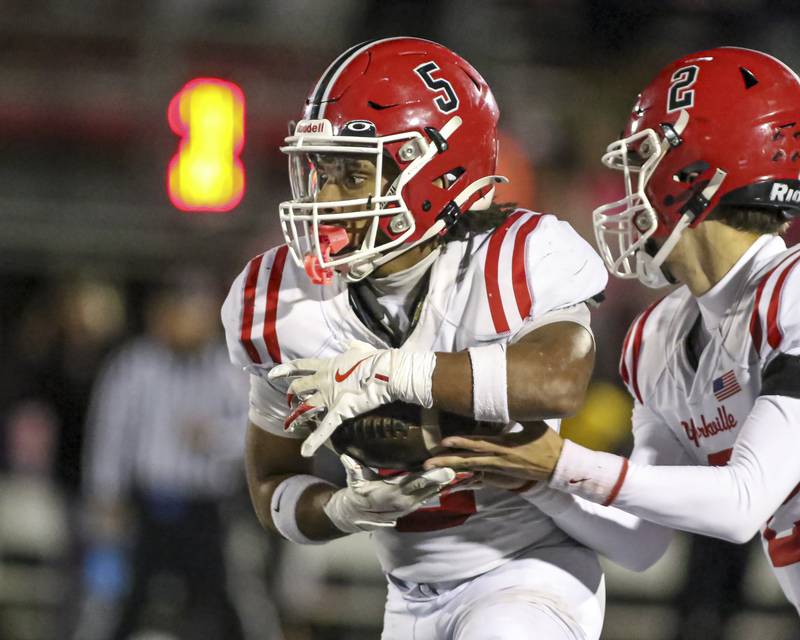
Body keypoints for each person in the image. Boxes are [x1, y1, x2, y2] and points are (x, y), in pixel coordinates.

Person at [222, 37, 679, 640]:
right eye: (322, 170)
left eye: (355, 172)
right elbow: (270, 484)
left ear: (436, 175)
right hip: (406, 598)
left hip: (528, 575)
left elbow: (558, 379)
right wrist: (341, 509)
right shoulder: (282, 299)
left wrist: (391, 373)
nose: (326, 198)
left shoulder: (514, 255)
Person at [423, 47, 800, 615]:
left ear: (699, 171)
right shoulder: (661, 335)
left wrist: (560, 465)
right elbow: (639, 538)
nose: (629, 187)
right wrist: (526, 473)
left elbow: (742, 503)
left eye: (644, 161)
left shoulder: (790, 292)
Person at [81, 274, 256, 640]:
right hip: (146, 503)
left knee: (214, 602)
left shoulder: (227, 370)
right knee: (121, 602)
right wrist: (105, 494)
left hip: (204, 507)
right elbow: (110, 433)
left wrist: (215, 437)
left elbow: (254, 431)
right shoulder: (134, 366)